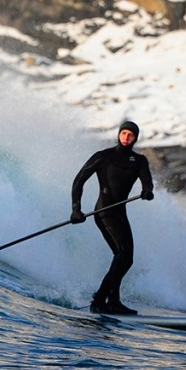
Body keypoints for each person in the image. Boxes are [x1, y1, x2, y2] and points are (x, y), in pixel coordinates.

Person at [70, 120, 154, 315]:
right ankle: (100, 299)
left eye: (130, 135)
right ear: (118, 135)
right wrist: (76, 209)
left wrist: (147, 191)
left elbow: (147, 181)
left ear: (135, 138)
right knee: (124, 256)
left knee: (124, 258)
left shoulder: (139, 160)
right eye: (124, 133)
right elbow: (79, 181)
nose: (126, 138)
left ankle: (112, 301)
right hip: (104, 212)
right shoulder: (103, 157)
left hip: (120, 212)